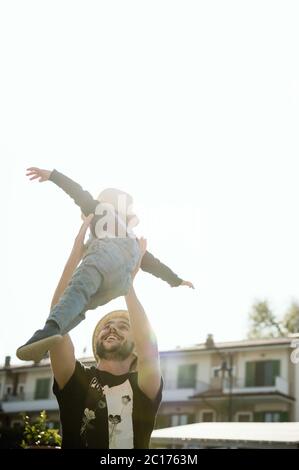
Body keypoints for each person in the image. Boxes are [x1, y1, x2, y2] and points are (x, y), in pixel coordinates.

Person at [17, 167, 194, 362]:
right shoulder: (132, 236)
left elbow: (77, 192)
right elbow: (151, 263)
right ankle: (50, 339)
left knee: (77, 292)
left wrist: (52, 176)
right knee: (80, 306)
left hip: (104, 258)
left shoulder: (100, 210)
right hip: (119, 284)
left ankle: (50, 329)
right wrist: (176, 280)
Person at [49, 216, 162, 448]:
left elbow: (150, 349)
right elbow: (57, 318)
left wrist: (127, 281)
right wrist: (78, 254)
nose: (112, 328)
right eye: (107, 326)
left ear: (136, 349)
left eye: (124, 326)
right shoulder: (76, 378)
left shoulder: (143, 387)